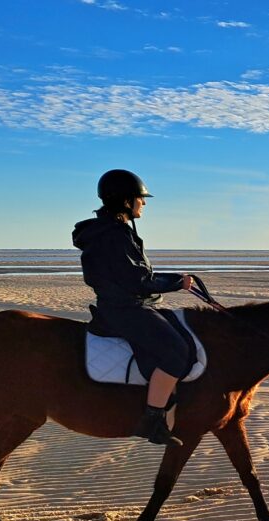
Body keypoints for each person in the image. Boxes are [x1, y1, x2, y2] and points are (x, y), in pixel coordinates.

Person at [72, 169, 194, 446]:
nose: (145, 203)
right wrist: (178, 282)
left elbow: (137, 276)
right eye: (141, 198)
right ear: (126, 201)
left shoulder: (112, 231)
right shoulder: (115, 235)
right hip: (125, 309)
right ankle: (152, 421)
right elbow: (139, 280)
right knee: (178, 353)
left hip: (129, 304)